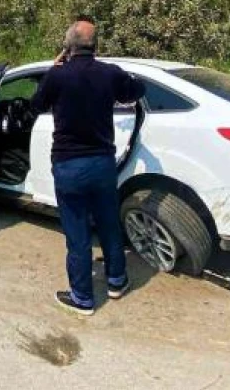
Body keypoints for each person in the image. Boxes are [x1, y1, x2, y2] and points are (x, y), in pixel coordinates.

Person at [31, 18, 145, 316]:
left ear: (67, 47)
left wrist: (53, 70)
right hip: (102, 164)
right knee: (108, 222)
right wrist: (129, 80)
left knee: (78, 232)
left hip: (69, 165)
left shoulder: (58, 76)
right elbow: (135, 92)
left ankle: (82, 297)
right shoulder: (109, 74)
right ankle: (116, 282)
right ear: (96, 46)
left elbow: (36, 105)